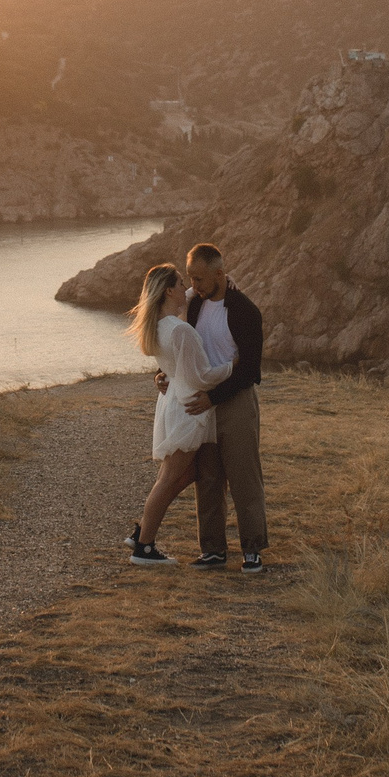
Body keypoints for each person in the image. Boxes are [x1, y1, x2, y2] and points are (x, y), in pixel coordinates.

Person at [125, 262, 230, 565]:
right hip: (189, 407)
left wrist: (206, 284)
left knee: (186, 473)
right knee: (170, 478)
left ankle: (143, 530)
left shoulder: (157, 324)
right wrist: (234, 365)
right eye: (182, 283)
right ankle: (144, 547)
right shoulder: (180, 330)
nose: (188, 288)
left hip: (174, 403)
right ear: (169, 290)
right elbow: (203, 376)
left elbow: (181, 368)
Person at [175, 242, 268, 571]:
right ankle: (213, 550)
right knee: (208, 478)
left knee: (244, 477)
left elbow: (250, 370)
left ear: (219, 274)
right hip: (204, 404)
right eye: (190, 278)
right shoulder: (193, 305)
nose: (194, 286)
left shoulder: (244, 310)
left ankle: (252, 548)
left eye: (199, 279)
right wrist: (164, 375)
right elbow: (181, 349)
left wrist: (214, 397)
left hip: (235, 401)